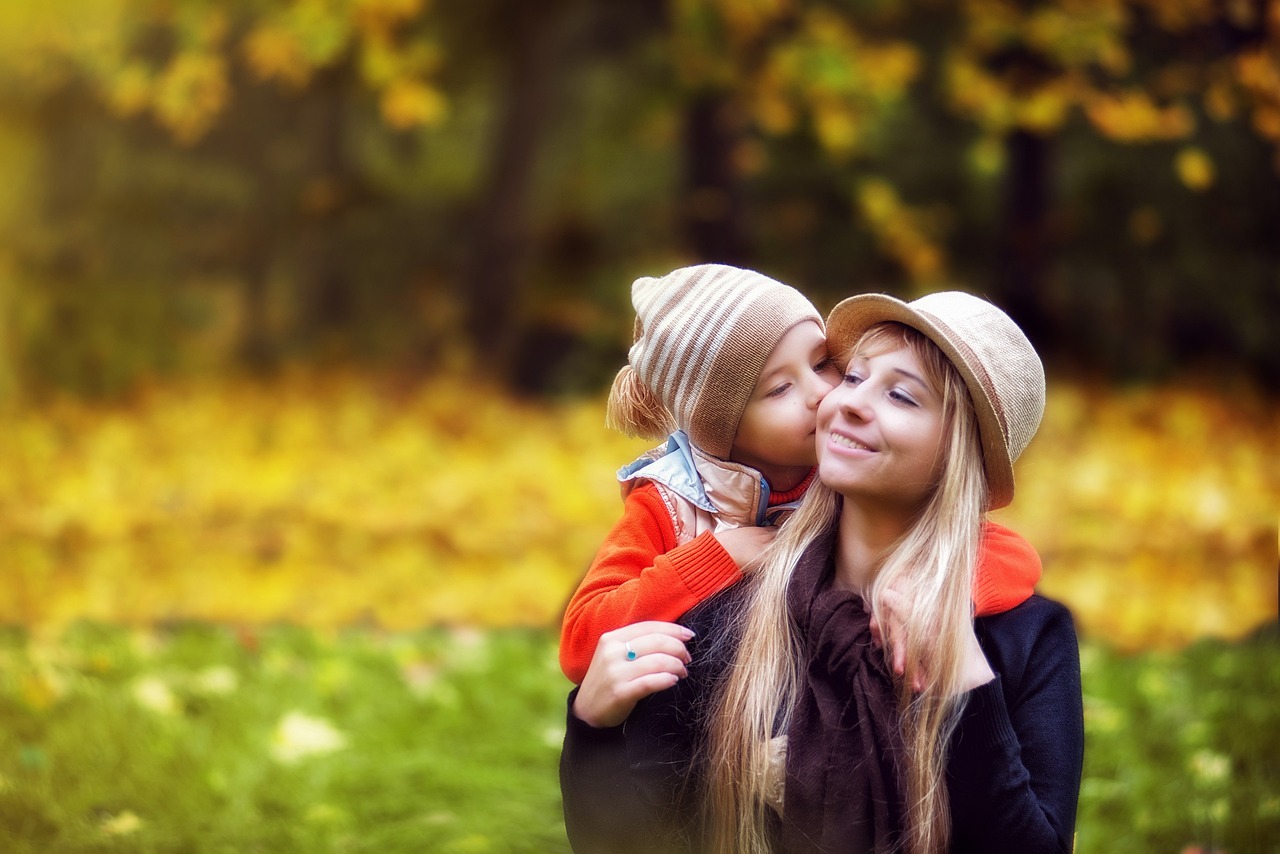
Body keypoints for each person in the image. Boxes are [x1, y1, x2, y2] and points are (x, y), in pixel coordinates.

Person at [560, 291, 1085, 854]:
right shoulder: (727, 607)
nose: (844, 402)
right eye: (854, 377)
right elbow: (632, 841)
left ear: (965, 453)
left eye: (902, 396)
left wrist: (961, 675)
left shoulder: (1024, 637)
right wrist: (593, 729)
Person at [559, 265, 1042, 685]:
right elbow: (583, 639)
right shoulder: (668, 505)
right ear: (722, 429)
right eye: (780, 388)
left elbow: (1008, 553)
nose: (823, 395)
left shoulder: (842, 474)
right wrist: (716, 558)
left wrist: (938, 595)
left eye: (823, 364)